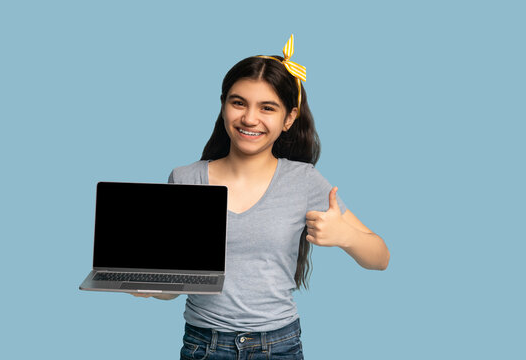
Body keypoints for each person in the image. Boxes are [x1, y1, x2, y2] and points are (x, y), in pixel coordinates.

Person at [135, 35, 390, 360]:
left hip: (278, 346)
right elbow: (177, 286)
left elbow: (381, 258)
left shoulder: (304, 181)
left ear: (289, 118)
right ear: (223, 104)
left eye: (267, 108)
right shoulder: (186, 179)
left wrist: (346, 236)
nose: (249, 118)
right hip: (204, 346)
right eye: (238, 102)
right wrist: (149, 287)